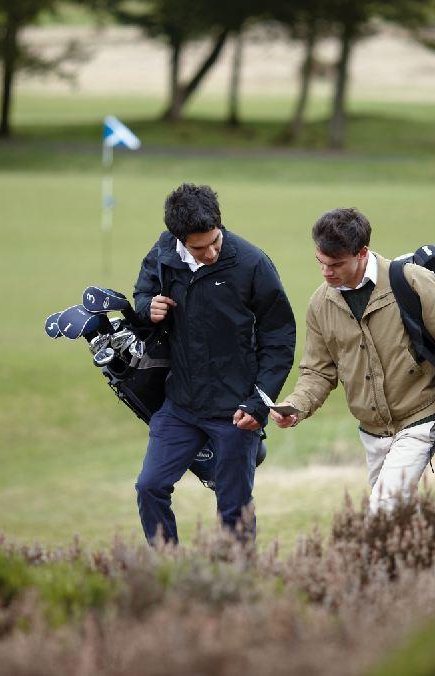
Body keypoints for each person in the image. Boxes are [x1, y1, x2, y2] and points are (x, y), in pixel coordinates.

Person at [270, 207, 435, 512]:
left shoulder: (412, 281)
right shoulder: (320, 304)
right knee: (397, 523)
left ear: (362, 252)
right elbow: (318, 372)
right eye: (320, 263)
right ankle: (433, 557)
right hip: (372, 433)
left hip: (419, 418)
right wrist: (297, 405)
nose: (325, 272)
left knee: (382, 510)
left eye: (335, 264)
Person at [131, 183, 295, 543]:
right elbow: (142, 294)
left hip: (236, 411)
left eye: (215, 242)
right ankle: (167, 571)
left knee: (234, 506)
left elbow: (279, 339)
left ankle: (236, 586)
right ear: (179, 240)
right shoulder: (163, 254)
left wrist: (260, 402)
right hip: (181, 406)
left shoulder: (252, 263)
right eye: (199, 247)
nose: (210, 252)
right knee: (149, 487)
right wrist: (149, 307)